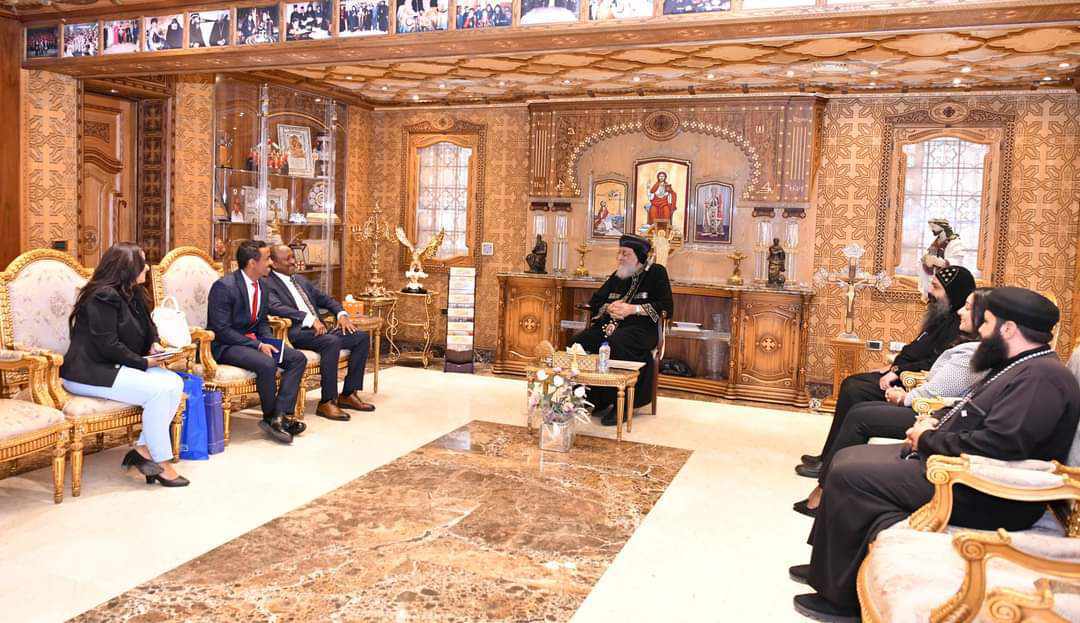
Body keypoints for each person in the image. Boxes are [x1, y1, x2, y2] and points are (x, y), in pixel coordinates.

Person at [790, 286, 1080, 622]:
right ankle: (826, 570)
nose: (982, 330)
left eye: (987, 322)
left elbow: (1000, 445)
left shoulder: (1042, 378)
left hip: (986, 491)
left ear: (1009, 329)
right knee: (849, 458)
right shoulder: (1020, 365)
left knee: (851, 474)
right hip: (959, 466)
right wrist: (933, 422)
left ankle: (840, 601)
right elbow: (972, 412)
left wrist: (928, 439)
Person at [793, 287, 991, 518]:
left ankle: (824, 491)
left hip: (935, 414)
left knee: (860, 414)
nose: (960, 312)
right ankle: (827, 480)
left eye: (968, 308)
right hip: (928, 402)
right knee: (858, 404)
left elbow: (936, 392)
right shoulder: (969, 343)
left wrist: (903, 396)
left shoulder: (971, 353)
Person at [796, 265, 976, 479]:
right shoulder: (942, 316)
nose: (930, 291)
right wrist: (892, 367)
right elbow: (915, 348)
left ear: (953, 293)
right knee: (852, 383)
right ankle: (827, 457)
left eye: (936, 287)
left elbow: (933, 362)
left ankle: (830, 464)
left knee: (855, 390)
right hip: (901, 373)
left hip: (911, 383)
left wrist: (898, 371)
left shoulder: (956, 326)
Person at [60, 243, 189, 488]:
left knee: (174, 382)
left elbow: (149, 327)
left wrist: (153, 344)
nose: (148, 268)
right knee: (159, 391)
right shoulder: (101, 296)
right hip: (89, 372)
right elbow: (107, 345)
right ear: (126, 268)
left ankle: (143, 450)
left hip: (114, 366)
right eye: (142, 263)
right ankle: (161, 461)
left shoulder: (134, 292)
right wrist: (143, 362)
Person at [207, 240, 308, 445]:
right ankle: (270, 417)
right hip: (226, 345)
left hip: (254, 342)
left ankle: (280, 416)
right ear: (252, 263)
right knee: (267, 363)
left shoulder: (262, 285)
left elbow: (261, 322)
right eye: (267, 258)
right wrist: (258, 346)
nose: (271, 262)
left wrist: (269, 342)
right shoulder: (224, 287)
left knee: (297, 358)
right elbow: (221, 330)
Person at [569, 234, 673, 426]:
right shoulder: (619, 274)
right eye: (619, 253)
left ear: (639, 256)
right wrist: (609, 307)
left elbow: (666, 307)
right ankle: (593, 396)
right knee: (578, 342)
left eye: (625, 253)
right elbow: (596, 301)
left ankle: (623, 404)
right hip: (609, 326)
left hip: (641, 328)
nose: (620, 258)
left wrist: (633, 309)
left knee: (618, 342)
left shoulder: (657, 272)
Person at [266, 245, 374, 422]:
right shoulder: (268, 284)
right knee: (331, 342)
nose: (293, 261)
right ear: (274, 263)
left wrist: (341, 314)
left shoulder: (299, 280)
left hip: (320, 330)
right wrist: (309, 319)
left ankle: (348, 394)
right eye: (287, 259)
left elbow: (326, 299)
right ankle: (327, 401)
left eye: (293, 256)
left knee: (360, 338)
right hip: (296, 333)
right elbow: (276, 307)